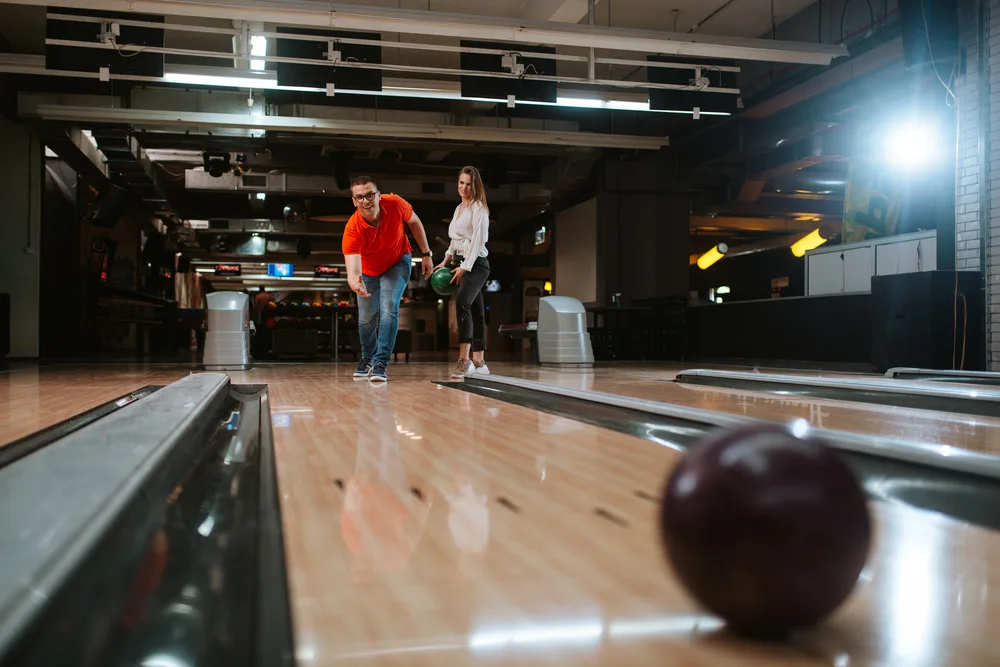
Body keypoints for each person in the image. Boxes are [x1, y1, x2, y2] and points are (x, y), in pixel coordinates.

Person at [343, 175, 433, 382]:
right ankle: (367, 357)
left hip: (397, 261)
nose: (365, 201)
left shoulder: (394, 204)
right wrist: (356, 283)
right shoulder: (352, 229)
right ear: (354, 201)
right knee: (366, 319)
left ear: (378, 195)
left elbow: (415, 222)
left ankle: (381, 362)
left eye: (369, 195)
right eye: (359, 197)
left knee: (389, 307)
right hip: (368, 272)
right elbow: (353, 271)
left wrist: (426, 254)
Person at [435, 166, 491, 379]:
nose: (464, 188)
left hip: (476, 265)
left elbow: (478, 242)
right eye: (461, 183)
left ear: (475, 186)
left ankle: (464, 360)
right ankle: (479, 361)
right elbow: (455, 240)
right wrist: (445, 261)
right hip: (460, 263)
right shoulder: (459, 209)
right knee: (476, 311)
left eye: (468, 184)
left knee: (462, 302)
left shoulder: (479, 208)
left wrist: (466, 266)